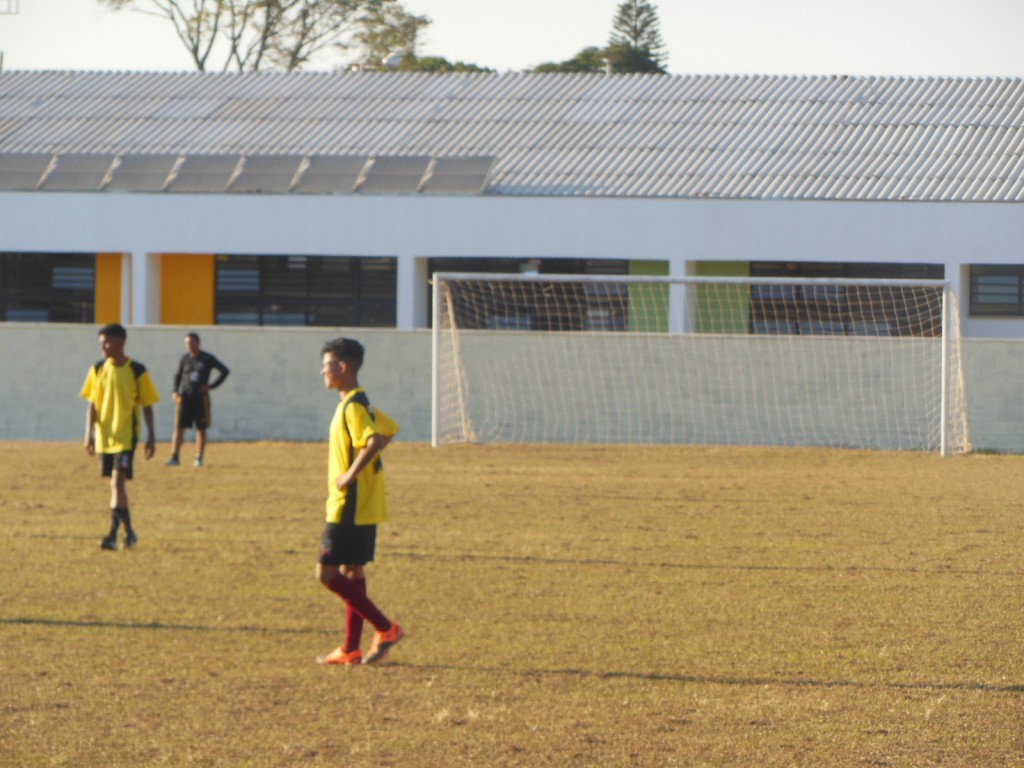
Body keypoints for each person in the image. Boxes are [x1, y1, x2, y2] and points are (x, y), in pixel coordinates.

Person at [315, 337, 404, 666]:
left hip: (348, 504)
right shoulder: (362, 404)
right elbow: (388, 430)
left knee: (325, 574)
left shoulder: (353, 406)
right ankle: (351, 648)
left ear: (342, 367)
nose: (322, 372)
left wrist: (350, 475)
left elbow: (373, 441)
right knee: (352, 571)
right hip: (365, 502)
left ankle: (386, 628)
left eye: (326, 366)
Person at [80, 323, 160, 551]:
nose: (103, 347)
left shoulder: (137, 370)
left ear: (120, 342)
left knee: (118, 483)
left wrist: (152, 436)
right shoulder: (97, 370)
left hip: (126, 437)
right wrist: (90, 434)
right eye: (101, 343)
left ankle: (112, 535)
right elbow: (92, 404)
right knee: (116, 488)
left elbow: (147, 404)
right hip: (105, 438)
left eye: (107, 342)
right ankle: (130, 533)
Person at [166, 332, 229, 468]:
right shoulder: (185, 359)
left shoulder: (207, 358)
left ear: (197, 343)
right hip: (185, 398)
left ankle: (199, 457)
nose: (188, 346)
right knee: (179, 427)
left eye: (190, 343)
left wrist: (211, 386)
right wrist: (175, 391)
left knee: (201, 428)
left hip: (200, 398)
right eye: (186, 343)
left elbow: (224, 371)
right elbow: (178, 375)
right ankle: (174, 456)